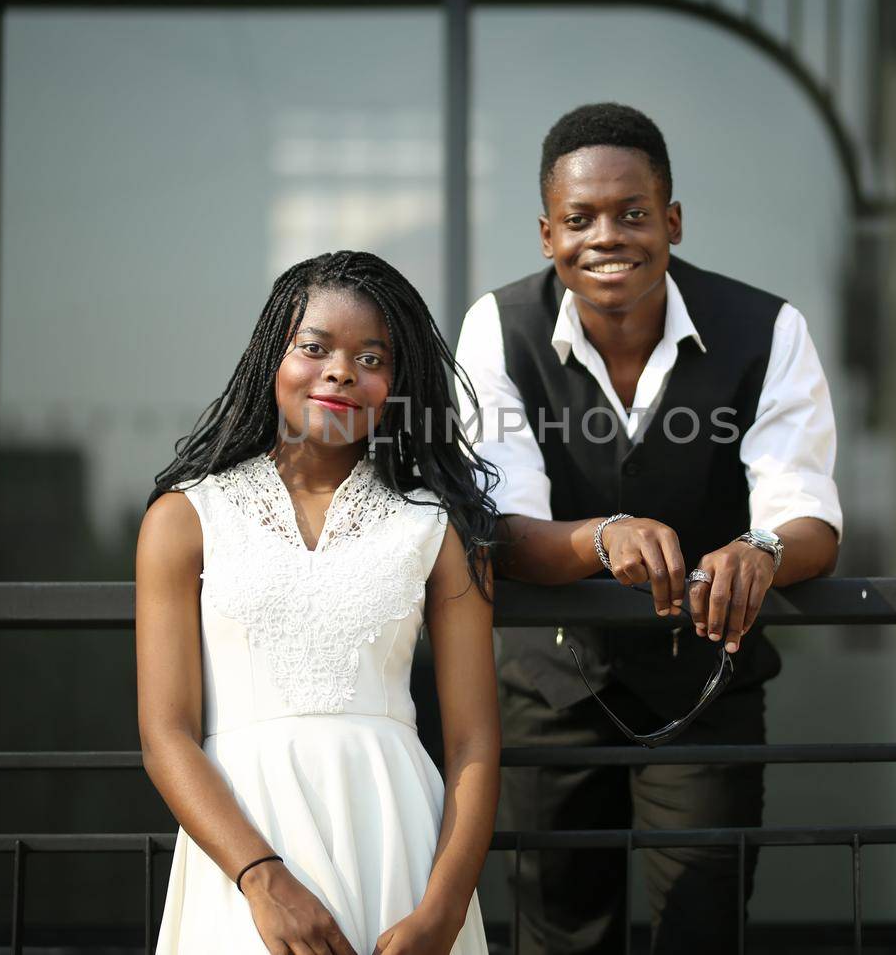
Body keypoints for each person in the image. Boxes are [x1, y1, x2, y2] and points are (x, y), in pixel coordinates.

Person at [454, 103, 843, 954]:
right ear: (547, 232)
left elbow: (809, 514)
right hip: (547, 686)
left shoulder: (768, 330)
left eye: (633, 213)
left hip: (705, 685)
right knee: (556, 936)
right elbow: (500, 528)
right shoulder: (496, 329)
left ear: (671, 219)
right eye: (581, 218)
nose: (608, 236)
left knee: (703, 929)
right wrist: (602, 536)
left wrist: (762, 549)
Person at [137, 250, 500, 954]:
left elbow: (473, 742)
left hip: (399, 847)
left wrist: (444, 909)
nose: (341, 370)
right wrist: (261, 877)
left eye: (372, 357)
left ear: (398, 384)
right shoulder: (186, 518)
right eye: (315, 347)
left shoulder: (435, 526)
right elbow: (166, 734)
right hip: (239, 850)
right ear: (273, 356)